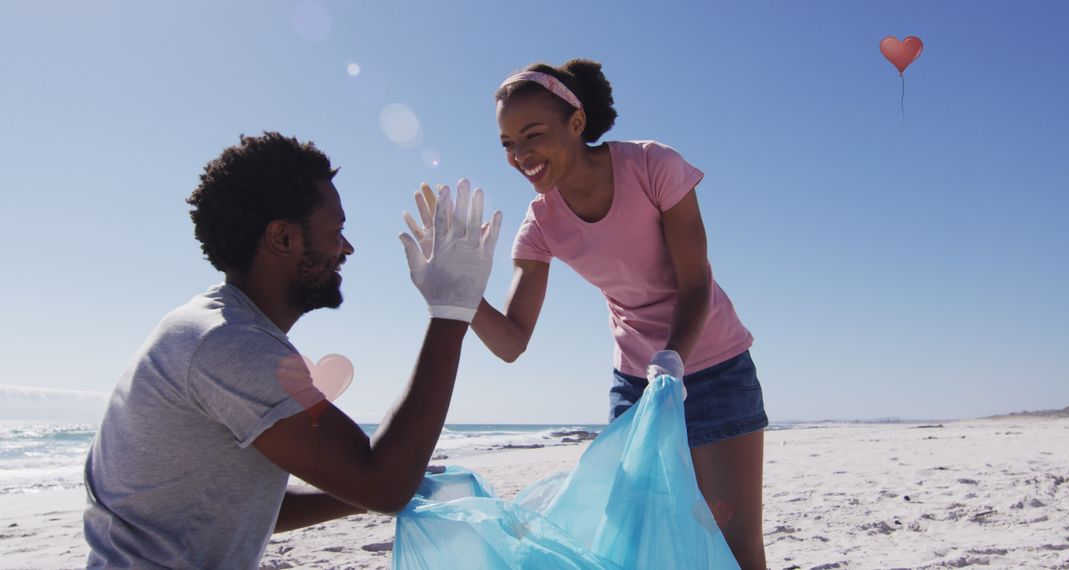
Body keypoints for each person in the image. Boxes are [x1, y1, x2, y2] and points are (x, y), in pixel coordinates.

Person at [406, 59, 767, 568]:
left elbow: (696, 281)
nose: (521, 155)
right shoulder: (540, 225)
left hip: (715, 370)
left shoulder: (652, 166)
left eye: (533, 135)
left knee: (736, 546)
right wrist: (458, 297)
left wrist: (673, 358)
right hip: (636, 387)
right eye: (508, 143)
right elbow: (511, 341)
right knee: (633, 543)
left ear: (575, 124)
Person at [83, 132, 501, 569]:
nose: (347, 248)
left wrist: (373, 490)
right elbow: (384, 485)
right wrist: (451, 308)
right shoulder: (228, 344)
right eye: (337, 231)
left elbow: (245, 506)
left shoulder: (218, 328)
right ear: (283, 239)